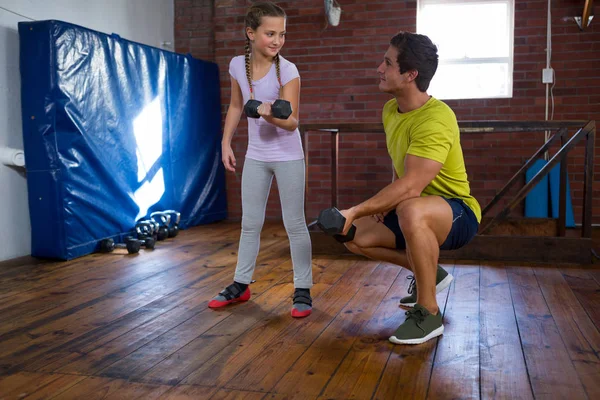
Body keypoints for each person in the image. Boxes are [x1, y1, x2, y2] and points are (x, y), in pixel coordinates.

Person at [339, 32, 481, 344]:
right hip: (411, 209)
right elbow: (401, 172)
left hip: (456, 212)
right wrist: (382, 205)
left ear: (410, 75)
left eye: (388, 63)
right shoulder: (391, 110)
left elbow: (413, 186)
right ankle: (431, 275)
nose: (379, 68)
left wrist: (358, 209)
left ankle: (428, 313)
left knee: (408, 206)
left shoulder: (437, 119)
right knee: (350, 234)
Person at [208, 2, 313, 318]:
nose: (277, 40)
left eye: (282, 34)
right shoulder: (237, 65)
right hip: (256, 155)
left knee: (294, 223)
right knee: (249, 223)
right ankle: (241, 284)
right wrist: (226, 142)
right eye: (270, 33)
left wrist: (269, 113)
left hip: (288, 156)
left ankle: (303, 290)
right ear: (250, 33)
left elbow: (293, 122)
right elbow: (237, 105)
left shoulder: (289, 70)